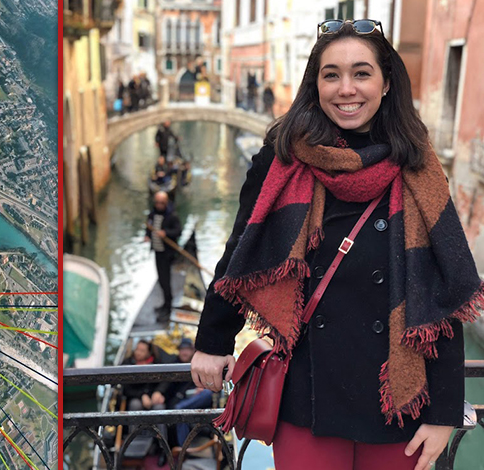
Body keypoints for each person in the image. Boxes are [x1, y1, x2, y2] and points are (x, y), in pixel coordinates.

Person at [190, 19, 481, 470]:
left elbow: (441, 297)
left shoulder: (417, 164)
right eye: (332, 75)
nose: (347, 88)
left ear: (386, 84)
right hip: (306, 400)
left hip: (397, 405)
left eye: (361, 73)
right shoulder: (283, 154)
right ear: (316, 84)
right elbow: (240, 251)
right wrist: (212, 340)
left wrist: (444, 412)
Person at [144, 191, 181, 319]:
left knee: (165, 280)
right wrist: (147, 236)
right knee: (161, 279)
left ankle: (168, 306)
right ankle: (165, 304)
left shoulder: (172, 216)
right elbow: (148, 227)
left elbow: (178, 231)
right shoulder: (152, 214)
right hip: (157, 252)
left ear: (166, 203)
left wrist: (166, 233)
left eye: (161, 203)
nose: (159, 205)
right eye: (157, 202)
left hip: (167, 254)